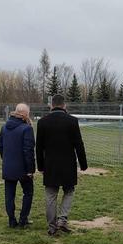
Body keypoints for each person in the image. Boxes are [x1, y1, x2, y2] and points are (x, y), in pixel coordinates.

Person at [36, 94, 87, 236]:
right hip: (68, 165)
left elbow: (39, 147)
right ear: (64, 105)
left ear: (51, 105)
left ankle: (52, 226)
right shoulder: (72, 121)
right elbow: (79, 144)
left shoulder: (42, 122)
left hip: (50, 165)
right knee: (69, 191)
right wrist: (83, 164)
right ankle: (62, 220)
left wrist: (40, 166)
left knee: (51, 195)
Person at [0, 103, 35, 228]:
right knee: (28, 193)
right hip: (23, 169)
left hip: (8, 167)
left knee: (9, 195)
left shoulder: (4, 127)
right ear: (24, 114)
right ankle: (23, 220)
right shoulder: (27, 129)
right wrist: (30, 170)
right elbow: (28, 151)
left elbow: (0, 147)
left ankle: (12, 221)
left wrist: (6, 160)